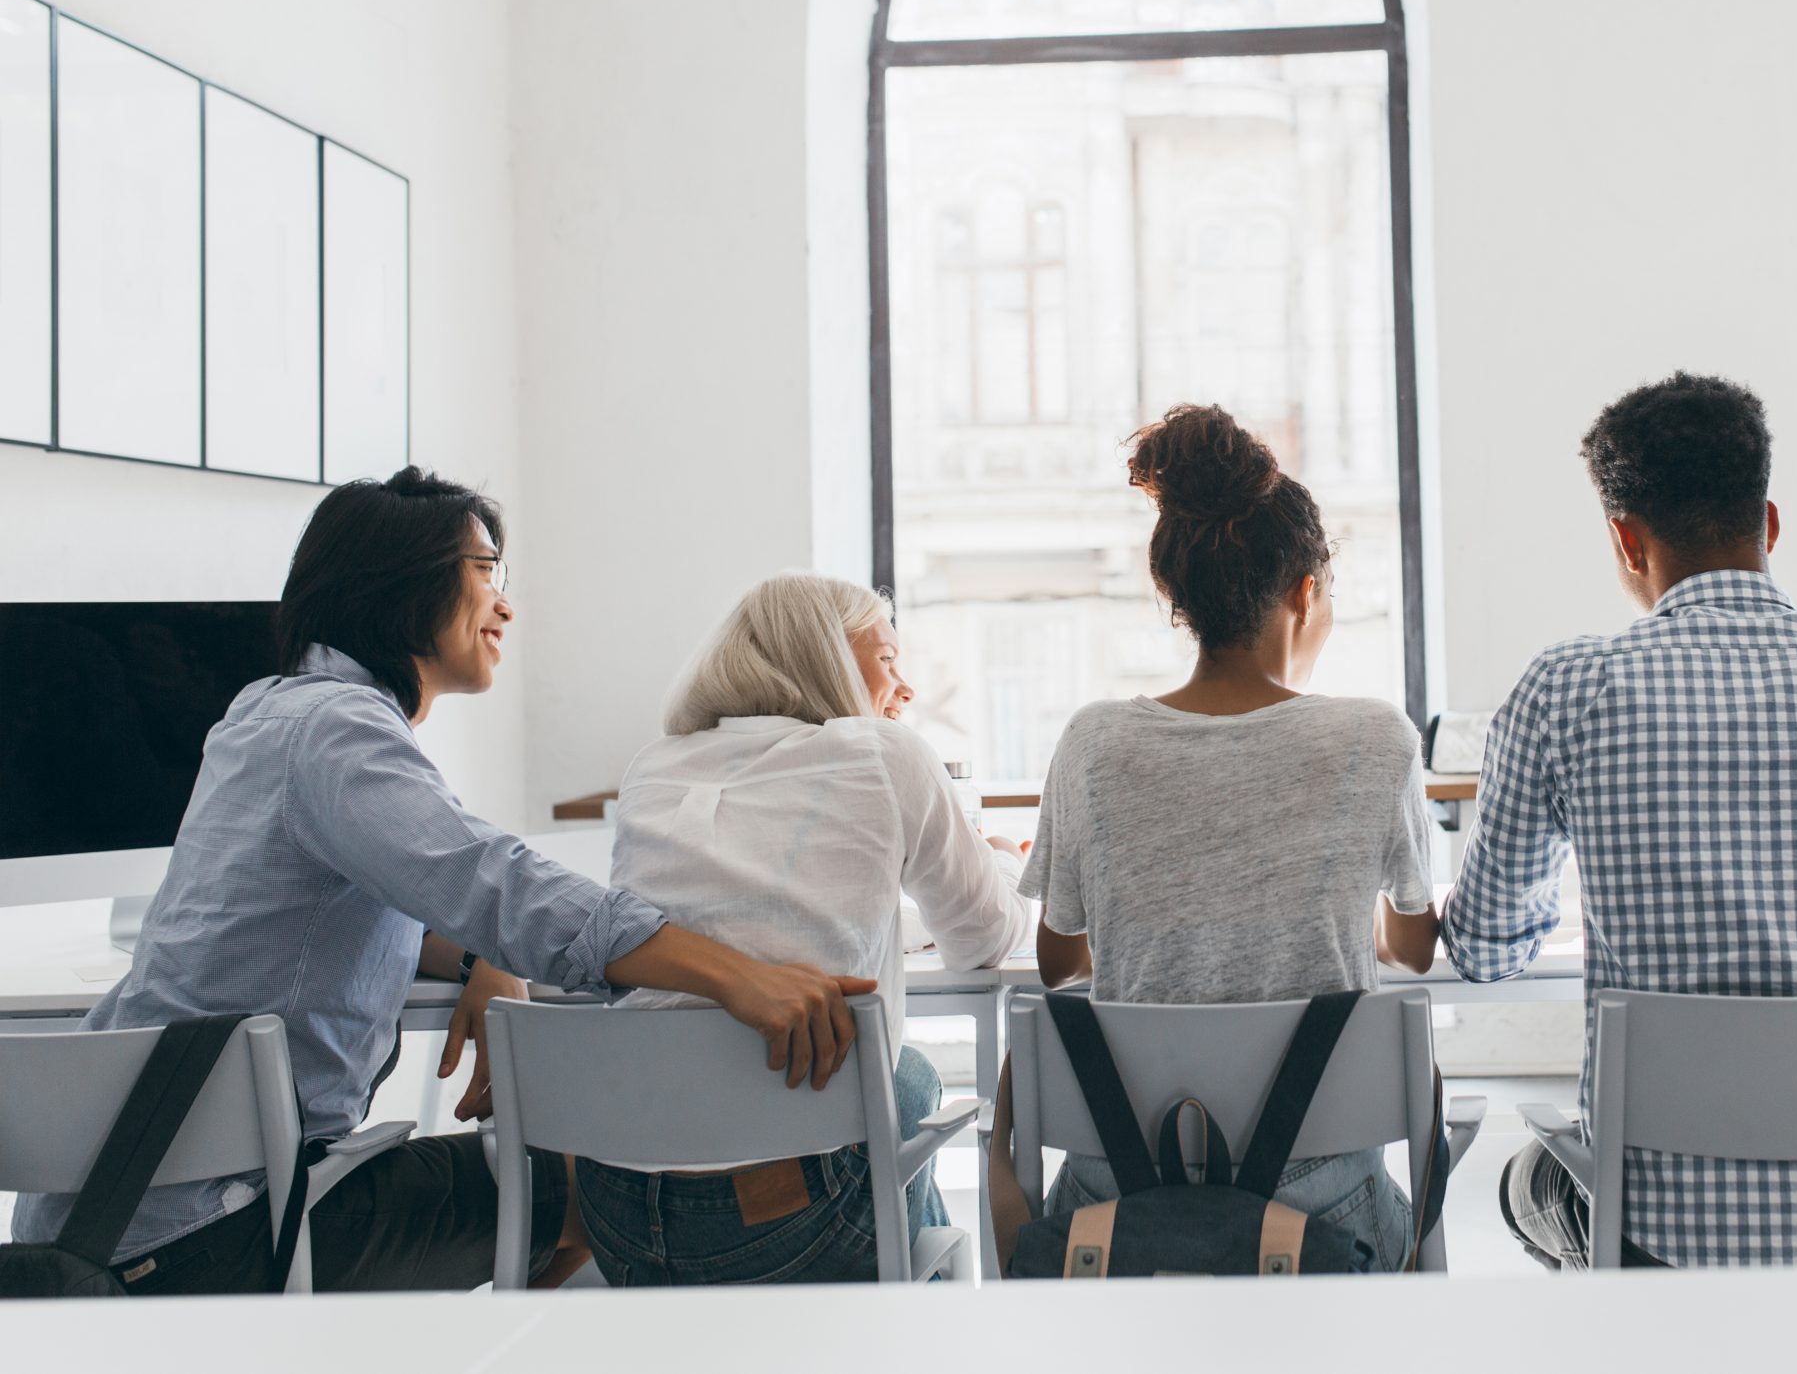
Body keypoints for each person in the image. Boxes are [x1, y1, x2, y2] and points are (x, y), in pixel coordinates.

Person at [10, 470, 877, 1294]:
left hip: (101, 1216)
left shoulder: (267, 712)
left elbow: (338, 911)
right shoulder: (338, 732)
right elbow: (497, 882)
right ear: (402, 583)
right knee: (591, 1177)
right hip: (211, 1233)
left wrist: (476, 959)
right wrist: (740, 975)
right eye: (484, 570)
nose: (505, 602)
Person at [1444, 372, 1797, 1266]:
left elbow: (1484, 949)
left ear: (1626, 540)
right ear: (1768, 523)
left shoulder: (1568, 689)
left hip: (1673, 1244)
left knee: (1523, 1186)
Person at [1019, 403, 1438, 1267]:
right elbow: (1416, 947)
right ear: (1305, 592)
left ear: (1177, 595)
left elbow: (1060, 964)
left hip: (1117, 1202)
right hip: (1320, 1209)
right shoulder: (1376, 739)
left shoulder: (1092, 742)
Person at [582, 574, 1033, 1284]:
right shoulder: (885, 752)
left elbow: (756, 914)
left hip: (618, 1215)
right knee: (902, 1080)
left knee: (902, 1080)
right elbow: (983, 938)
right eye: (886, 659)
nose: (905, 687)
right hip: (780, 1225)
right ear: (822, 656)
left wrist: (898, 929)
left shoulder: (654, 765)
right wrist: (1003, 865)